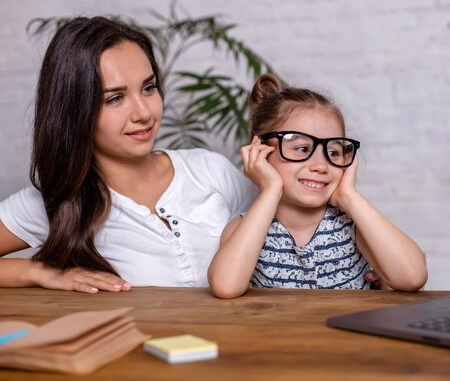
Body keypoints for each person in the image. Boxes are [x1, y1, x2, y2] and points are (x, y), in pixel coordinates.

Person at [0, 16, 254, 293]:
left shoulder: (210, 170)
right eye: (115, 99)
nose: (143, 113)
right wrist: (40, 272)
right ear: (75, 111)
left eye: (149, 88)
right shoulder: (58, 202)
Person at [208, 74, 427, 298]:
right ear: (260, 152)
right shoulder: (245, 228)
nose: (321, 165)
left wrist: (349, 196)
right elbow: (226, 287)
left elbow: (412, 277)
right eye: (302, 149)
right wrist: (270, 189)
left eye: (333, 152)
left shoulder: (353, 226)